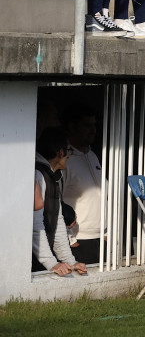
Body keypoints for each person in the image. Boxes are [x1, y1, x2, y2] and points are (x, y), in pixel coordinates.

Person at [33, 127, 87, 276]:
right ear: (60, 152)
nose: (69, 155)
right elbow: (35, 225)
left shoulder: (52, 175)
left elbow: (58, 221)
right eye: (68, 150)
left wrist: (70, 261)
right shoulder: (38, 174)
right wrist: (51, 263)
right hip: (29, 261)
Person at [59, 103, 102, 264]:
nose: (93, 130)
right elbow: (56, 203)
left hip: (100, 239)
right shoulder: (64, 159)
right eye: (87, 125)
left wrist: (106, 231)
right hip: (79, 241)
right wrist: (71, 240)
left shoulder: (92, 155)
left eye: (94, 125)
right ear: (72, 127)